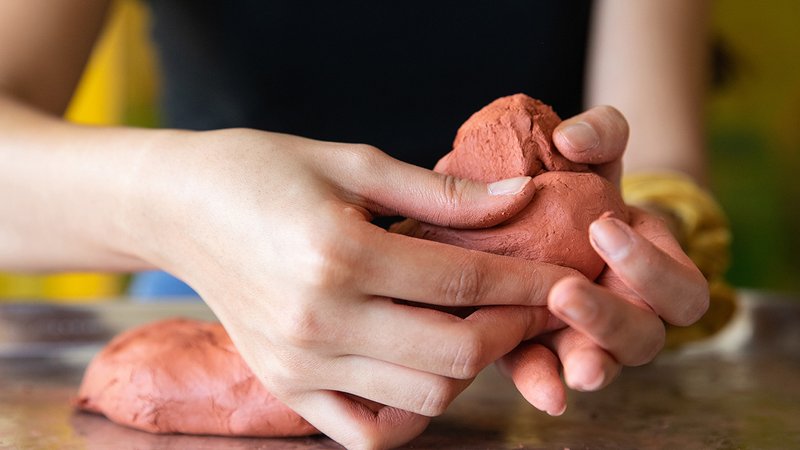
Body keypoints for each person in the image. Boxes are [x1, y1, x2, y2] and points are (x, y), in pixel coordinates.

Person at [0, 1, 710, 448]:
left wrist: (640, 243)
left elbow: (657, 151)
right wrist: (173, 205)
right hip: (209, 278)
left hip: (523, 327)